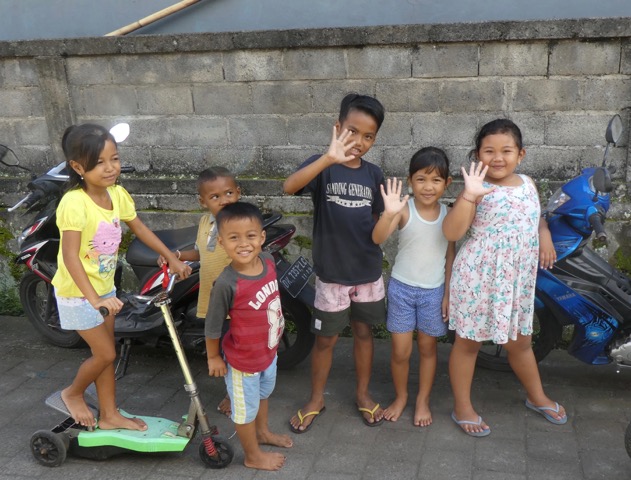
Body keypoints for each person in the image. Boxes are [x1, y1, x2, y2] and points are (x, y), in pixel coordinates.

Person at [52, 123, 191, 430]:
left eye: (114, 158)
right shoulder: (74, 203)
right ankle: (73, 393)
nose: (110, 167)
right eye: (99, 162)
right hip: (78, 294)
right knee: (105, 354)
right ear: (78, 167)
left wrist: (171, 257)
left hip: (104, 290)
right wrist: (95, 300)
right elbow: (71, 257)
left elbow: (140, 229)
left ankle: (109, 415)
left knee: (105, 355)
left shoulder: (117, 194)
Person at [443, 118, 567, 437]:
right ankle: (462, 407)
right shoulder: (476, 188)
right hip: (477, 279)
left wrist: (545, 235)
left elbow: (538, 217)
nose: (498, 158)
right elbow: (452, 232)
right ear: (477, 155)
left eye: (506, 150)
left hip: (514, 283)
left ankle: (536, 396)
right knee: (468, 344)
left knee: (521, 342)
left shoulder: (528, 183)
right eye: (489, 151)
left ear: (520, 154)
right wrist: (469, 195)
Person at [285, 93, 387, 432]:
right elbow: (289, 187)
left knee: (363, 333)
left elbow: (379, 224)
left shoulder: (374, 174)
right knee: (326, 339)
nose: (359, 141)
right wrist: (328, 158)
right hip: (331, 275)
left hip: (367, 274)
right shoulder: (322, 166)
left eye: (368, 136)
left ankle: (363, 394)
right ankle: (316, 398)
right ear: (338, 127)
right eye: (352, 131)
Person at [205, 202, 292, 471]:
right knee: (244, 411)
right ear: (221, 242)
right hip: (243, 362)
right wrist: (213, 357)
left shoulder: (268, 261)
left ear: (262, 237)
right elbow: (213, 325)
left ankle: (262, 433)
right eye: (234, 238)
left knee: (263, 395)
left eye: (251, 235)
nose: (244, 244)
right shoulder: (226, 283)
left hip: (268, 352)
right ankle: (252, 455)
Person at [372, 147, 455, 427]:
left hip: (434, 292)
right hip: (402, 290)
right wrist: (388, 214)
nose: (428, 187)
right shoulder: (403, 210)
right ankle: (401, 397)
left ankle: (422, 400)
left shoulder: (449, 215)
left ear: (447, 183)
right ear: (410, 181)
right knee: (400, 351)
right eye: (421, 179)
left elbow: (450, 257)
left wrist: (447, 294)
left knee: (428, 349)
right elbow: (377, 238)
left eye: (435, 180)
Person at [157, 166, 240, 417]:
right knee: (224, 349)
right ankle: (234, 390)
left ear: (238, 193)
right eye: (215, 196)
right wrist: (176, 255)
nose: (224, 200)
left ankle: (236, 395)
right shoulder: (206, 222)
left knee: (236, 351)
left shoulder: (240, 223)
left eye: (229, 193)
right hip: (214, 301)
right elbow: (202, 253)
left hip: (238, 301)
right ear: (203, 202)